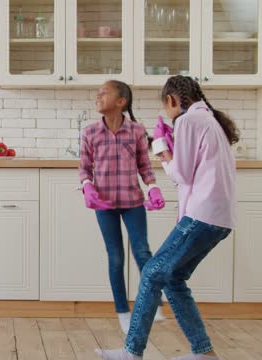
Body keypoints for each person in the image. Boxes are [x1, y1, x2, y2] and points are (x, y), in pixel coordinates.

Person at [95, 76, 239, 360]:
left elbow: (180, 174)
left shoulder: (188, 121)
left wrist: (160, 147)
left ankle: (131, 351)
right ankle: (203, 353)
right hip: (220, 219)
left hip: (202, 215)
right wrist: (172, 143)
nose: (169, 114)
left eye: (166, 107)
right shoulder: (210, 121)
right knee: (173, 279)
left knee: (151, 272)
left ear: (172, 100)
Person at [79, 80, 166, 334]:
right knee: (115, 258)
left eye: (104, 92)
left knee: (142, 252)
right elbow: (84, 168)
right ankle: (122, 312)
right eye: (98, 92)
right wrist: (87, 186)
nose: (98, 96)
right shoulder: (90, 133)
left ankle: (153, 302)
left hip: (132, 202)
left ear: (121, 101)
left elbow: (144, 166)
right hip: (103, 204)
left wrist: (153, 188)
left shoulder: (137, 131)